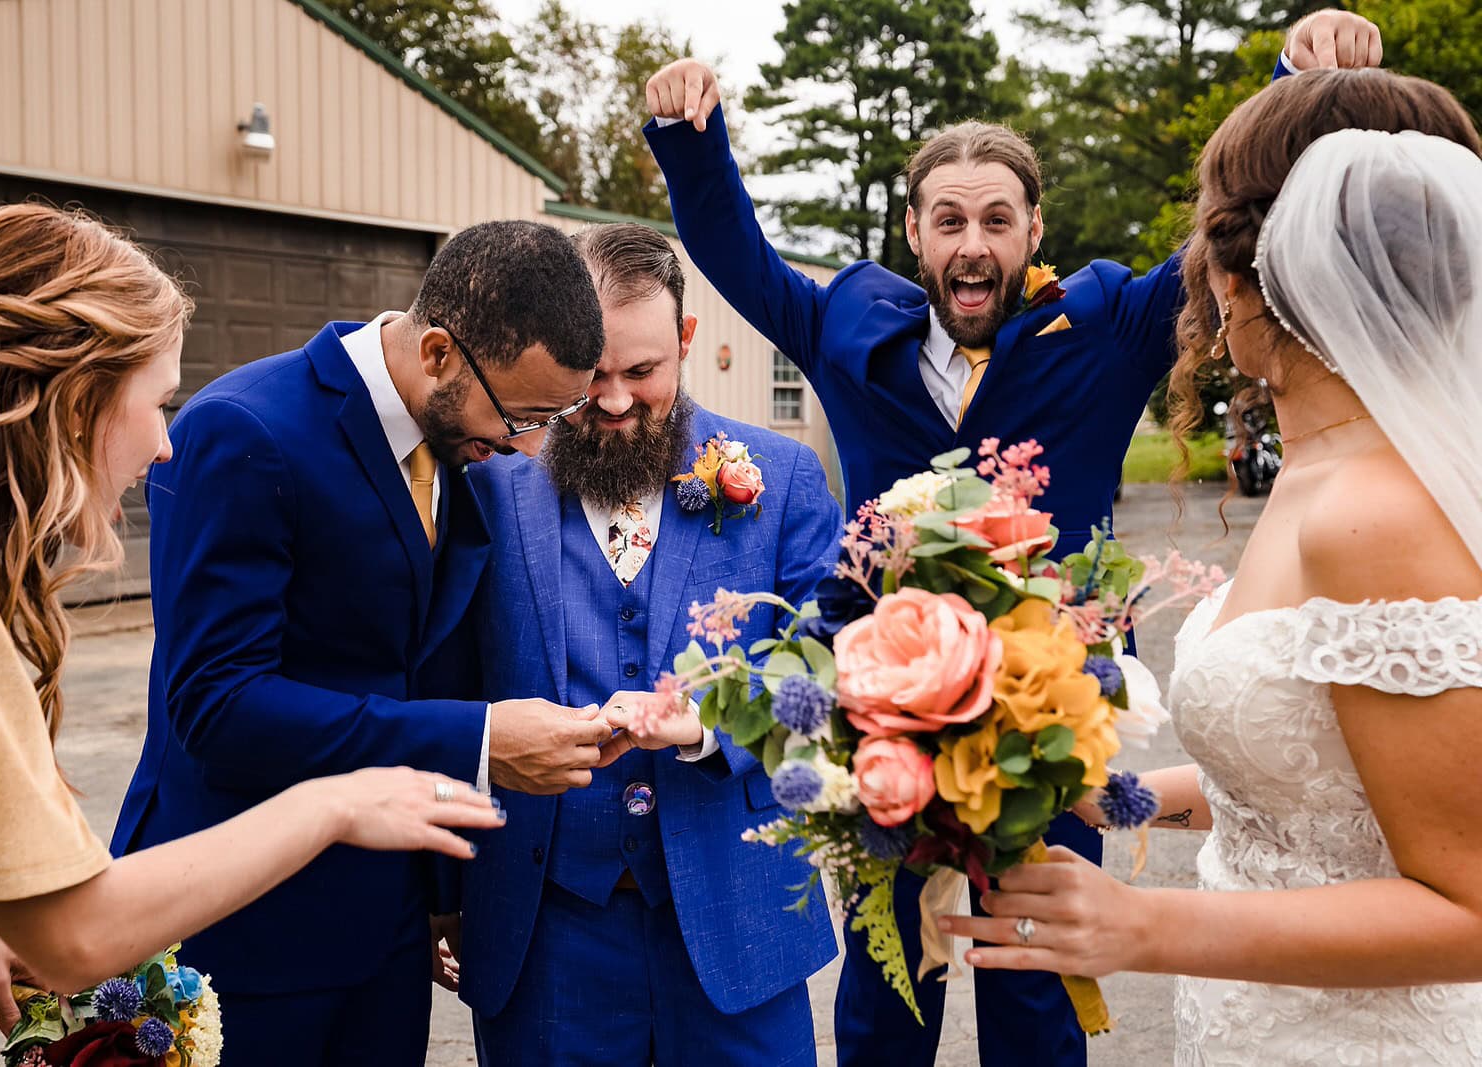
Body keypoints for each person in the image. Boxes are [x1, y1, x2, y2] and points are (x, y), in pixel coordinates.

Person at [641, 10, 1382, 1064]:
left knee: (1033, 973)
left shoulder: (1114, 324)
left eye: (996, 219)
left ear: (1035, 230)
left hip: (1052, 714)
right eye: (948, 221)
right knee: (882, 980)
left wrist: (1290, 78)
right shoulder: (845, 330)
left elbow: (1236, 223)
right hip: (884, 713)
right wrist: (690, 136)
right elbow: (735, 254)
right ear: (915, 235)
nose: (971, 243)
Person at [940, 68, 1482, 1065]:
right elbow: (1319, 774)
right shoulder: (1323, 472)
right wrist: (1094, 790)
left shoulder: (1377, 512)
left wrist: (1141, 923)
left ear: (1238, 279)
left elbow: (1468, 906)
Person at [0, 203, 502, 1067]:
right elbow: (74, 934)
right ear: (69, 397)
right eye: (158, 402)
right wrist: (338, 802)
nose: (166, 446)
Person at [109, 219, 615, 1065]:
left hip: (386, 937)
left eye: (549, 418)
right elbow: (217, 705)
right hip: (245, 929)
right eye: (521, 414)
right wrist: (481, 740)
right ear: (441, 353)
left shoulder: (456, 441)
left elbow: (421, 658)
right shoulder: (244, 429)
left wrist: (441, 893)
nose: (528, 445)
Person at [455, 223, 842, 1065]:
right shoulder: (489, 487)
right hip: (548, 937)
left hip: (741, 928)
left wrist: (710, 724)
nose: (618, 399)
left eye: (643, 372)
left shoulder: (781, 478)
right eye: (593, 375)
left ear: (687, 341)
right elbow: (441, 684)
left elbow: (835, 668)